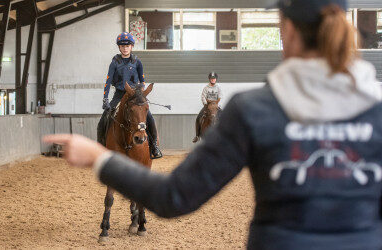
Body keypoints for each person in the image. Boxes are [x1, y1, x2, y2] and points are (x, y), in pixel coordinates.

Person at [44, 0, 382, 249]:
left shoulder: (253, 110)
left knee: (148, 117)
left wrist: (99, 157)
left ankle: (153, 144)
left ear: (288, 31)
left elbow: (173, 196)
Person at [97, 32, 162, 159]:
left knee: (149, 117)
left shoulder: (137, 62)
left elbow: (142, 81)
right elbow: (108, 81)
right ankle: (100, 148)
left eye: (127, 46)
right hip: (119, 94)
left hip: (135, 94)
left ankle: (154, 146)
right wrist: (105, 98)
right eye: (122, 46)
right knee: (104, 119)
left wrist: (140, 92)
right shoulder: (114, 62)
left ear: (131, 47)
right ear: (119, 47)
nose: (125, 48)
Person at [192, 72, 222, 143]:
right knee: (198, 118)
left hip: (216, 105)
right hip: (207, 105)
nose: (213, 80)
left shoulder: (218, 88)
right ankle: (197, 136)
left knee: (225, 116)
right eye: (211, 79)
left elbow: (220, 97)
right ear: (209, 79)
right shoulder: (206, 88)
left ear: (216, 79)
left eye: (214, 79)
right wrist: (205, 104)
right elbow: (203, 96)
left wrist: (216, 104)